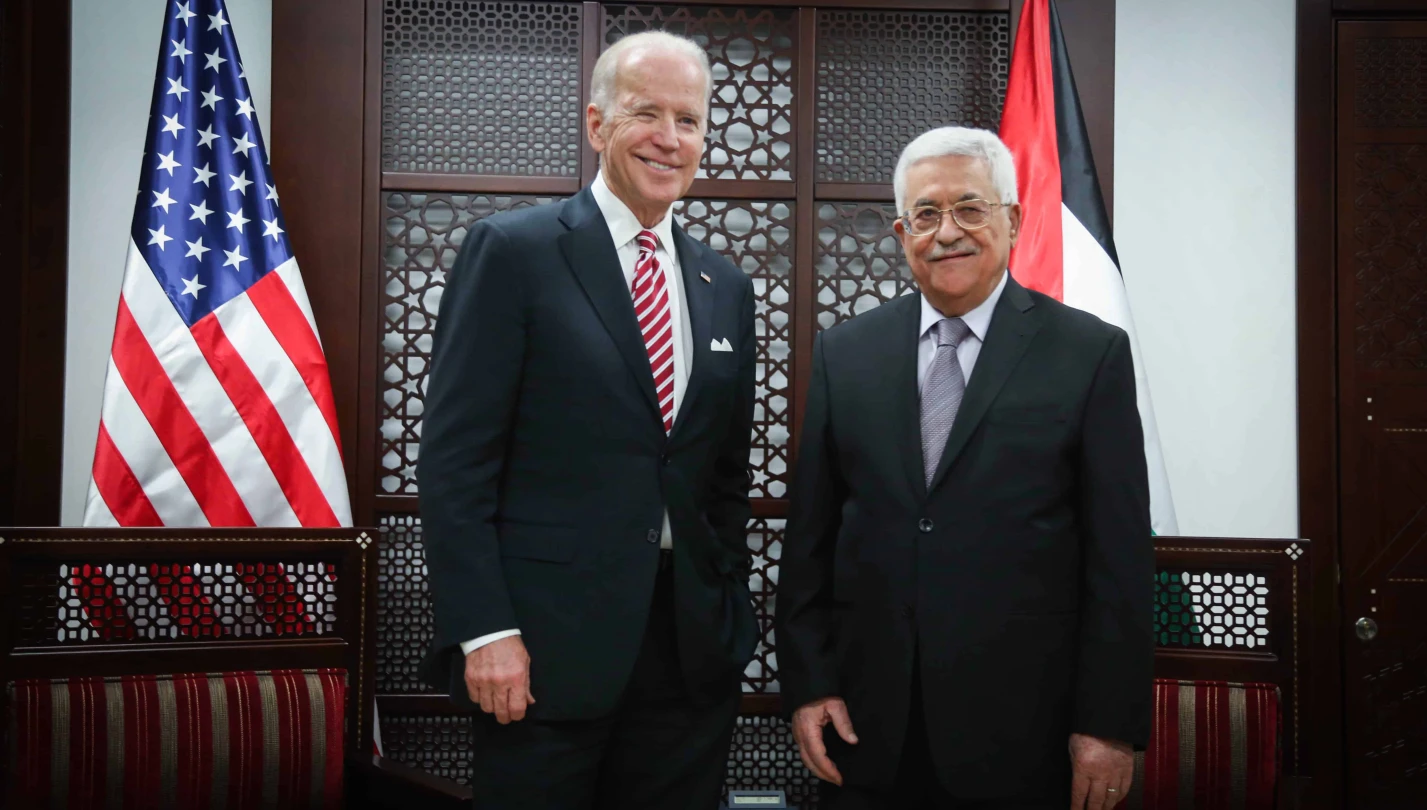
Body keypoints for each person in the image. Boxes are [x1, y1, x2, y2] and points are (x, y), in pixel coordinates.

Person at [416, 31, 758, 810]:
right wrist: (485, 631)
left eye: (690, 120)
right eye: (647, 114)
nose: (670, 139)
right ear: (598, 125)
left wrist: (729, 607)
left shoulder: (724, 284)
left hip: (688, 656)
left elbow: (724, 478)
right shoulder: (514, 251)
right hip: (541, 656)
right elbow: (454, 464)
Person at [776, 126, 1153, 810]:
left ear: (1012, 219)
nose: (946, 231)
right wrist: (809, 683)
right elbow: (810, 541)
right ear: (900, 232)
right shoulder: (845, 354)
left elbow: (1119, 560)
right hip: (867, 726)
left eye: (970, 209)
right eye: (926, 214)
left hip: (1026, 734)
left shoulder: (1088, 355)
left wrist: (1107, 726)